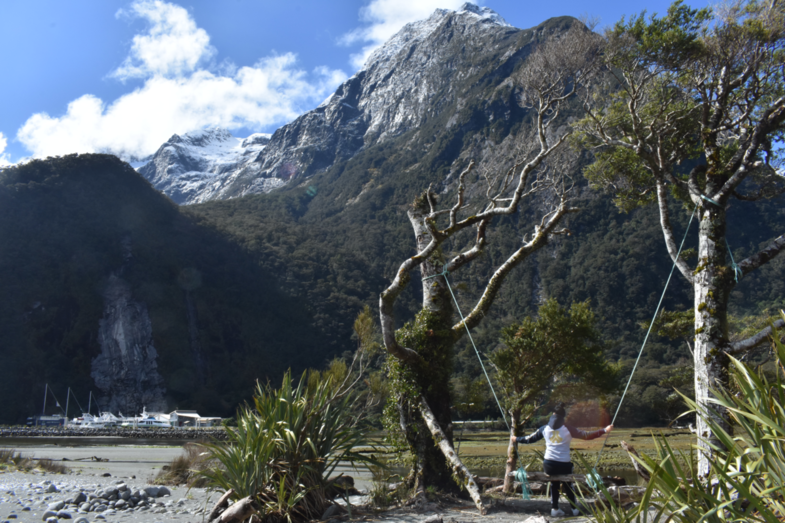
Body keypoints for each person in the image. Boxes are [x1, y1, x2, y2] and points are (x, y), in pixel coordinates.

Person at [510, 402, 613, 517]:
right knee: (568, 484)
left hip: (549, 465)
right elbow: (587, 435)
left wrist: (516, 438)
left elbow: (529, 439)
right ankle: (574, 509)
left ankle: (554, 509)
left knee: (554, 483)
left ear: (553, 414)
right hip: (564, 465)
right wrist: (605, 430)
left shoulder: (544, 428)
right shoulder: (568, 428)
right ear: (562, 416)